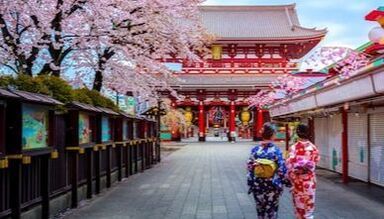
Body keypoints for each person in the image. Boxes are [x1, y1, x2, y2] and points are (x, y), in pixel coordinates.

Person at [247, 123, 289, 219]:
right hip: (272, 185)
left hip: (258, 184)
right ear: (273, 135)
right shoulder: (276, 151)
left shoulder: (255, 150)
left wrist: (251, 183)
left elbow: (250, 167)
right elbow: (281, 169)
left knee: (260, 210)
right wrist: (286, 182)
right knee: (272, 210)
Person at [286, 124, 320, 219]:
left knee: (299, 208)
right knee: (309, 207)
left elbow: (289, 165)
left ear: (297, 133)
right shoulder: (313, 148)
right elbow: (315, 162)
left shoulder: (293, 148)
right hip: (309, 181)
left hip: (297, 182)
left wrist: (291, 177)